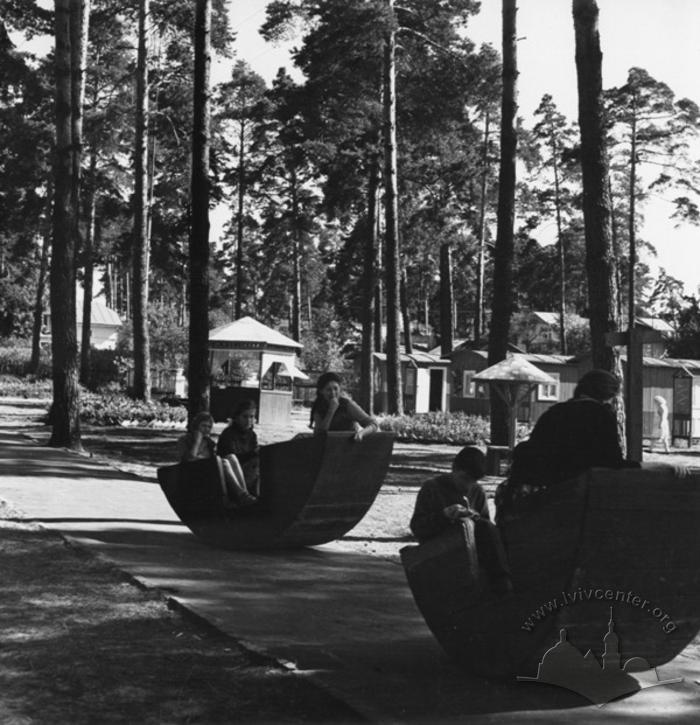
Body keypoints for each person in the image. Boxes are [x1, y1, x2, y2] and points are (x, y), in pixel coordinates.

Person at [496, 369, 639, 523]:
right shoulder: (601, 415)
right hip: (576, 491)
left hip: (539, 487)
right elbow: (611, 459)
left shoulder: (554, 411)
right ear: (608, 395)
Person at [410, 446, 512, 595]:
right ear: (454, 469)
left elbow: (488, 529)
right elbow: (417, 528)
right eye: (464, 478)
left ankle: (501, 579)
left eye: (472, 481)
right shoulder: (432, 488)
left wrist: (473, 516)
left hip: (469, 552)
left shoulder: (477, 491)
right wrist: (444, 515)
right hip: (439, 552)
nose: (467, 486)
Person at [178, 412, 256, 507]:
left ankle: (244, 494)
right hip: (193, 473)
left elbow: (213, 460)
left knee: (231, 457)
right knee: (223, 462)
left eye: (209, 427)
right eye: (203, 426)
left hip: (208, 472)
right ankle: (242, 495)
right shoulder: (184, 440)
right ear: (196, 426)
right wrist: (197, 441)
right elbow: (189, 460)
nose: (206, 429)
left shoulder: (209, 443)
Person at [309, 372, 378, 441]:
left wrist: (361, 433)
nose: (333, 393)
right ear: (321, 391)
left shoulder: (347, 405)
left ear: (340, 389)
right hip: (327, 447)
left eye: (335, 389)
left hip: (348, 446)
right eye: (328, 390)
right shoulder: (318, 407)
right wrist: (331, 411)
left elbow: (373, 424)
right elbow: (319, 434)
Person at [217, 399, 261, 496]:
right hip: (232, 475)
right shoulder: (228, 434)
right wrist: (253, 453)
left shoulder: (252, 435)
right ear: (236, 417)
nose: (249, 420)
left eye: (252, 417)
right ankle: (244, 495)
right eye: (245, 417)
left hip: (250, 472)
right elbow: (231, 459)